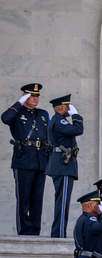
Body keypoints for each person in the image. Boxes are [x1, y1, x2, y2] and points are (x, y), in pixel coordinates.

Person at [2, 83, 49, 235]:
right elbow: (5, 118)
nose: (35, 98)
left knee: (37, 199)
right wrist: (20, 102)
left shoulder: (42, 114)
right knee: (23, 199)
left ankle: (35, 231)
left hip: (41, 161)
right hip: (23, 160)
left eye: (37, 96)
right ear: (25, 95)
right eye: (31, 95)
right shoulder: (17, 112)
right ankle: (24, 231)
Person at [45, 94, 84, 238]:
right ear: (60, 107)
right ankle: (59, 234)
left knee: (63, 201)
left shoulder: (59, 120)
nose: (70, 109)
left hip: (63, 165)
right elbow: (78, 130)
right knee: (62, 202)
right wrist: (76, 116)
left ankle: (59, 233)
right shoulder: (59, 121)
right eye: (68, 106)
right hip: (63, 165)